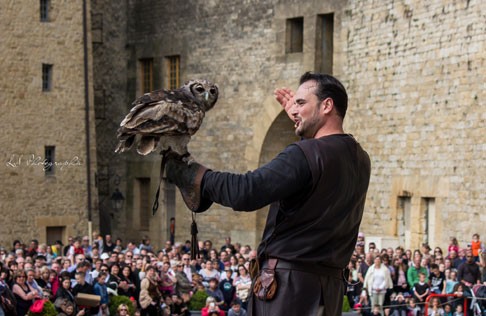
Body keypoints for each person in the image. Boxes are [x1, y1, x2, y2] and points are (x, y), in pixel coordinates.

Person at [166, 72, 371, 315]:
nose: (294, 109)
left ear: (327, 105)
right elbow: (317, 173)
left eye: (302, 103)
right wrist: (302, 120)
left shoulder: (304, 154)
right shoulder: (360, 159)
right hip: (328, 292)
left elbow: (246, 191)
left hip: (288, 293)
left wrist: (196, 176)